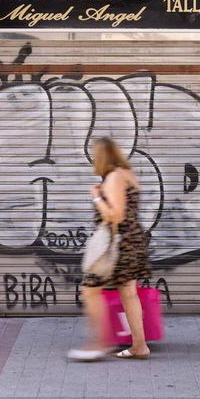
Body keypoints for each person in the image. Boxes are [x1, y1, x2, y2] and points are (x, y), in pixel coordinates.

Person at [68, 137, 152, 362]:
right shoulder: (127, 174)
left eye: (96, 155)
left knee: (90, 291)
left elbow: (116, 215)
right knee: (128, 293)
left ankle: (98, 343)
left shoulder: (114, 177)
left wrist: (96, 197)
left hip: (118, 245)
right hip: (133, 241)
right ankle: (139, 346)